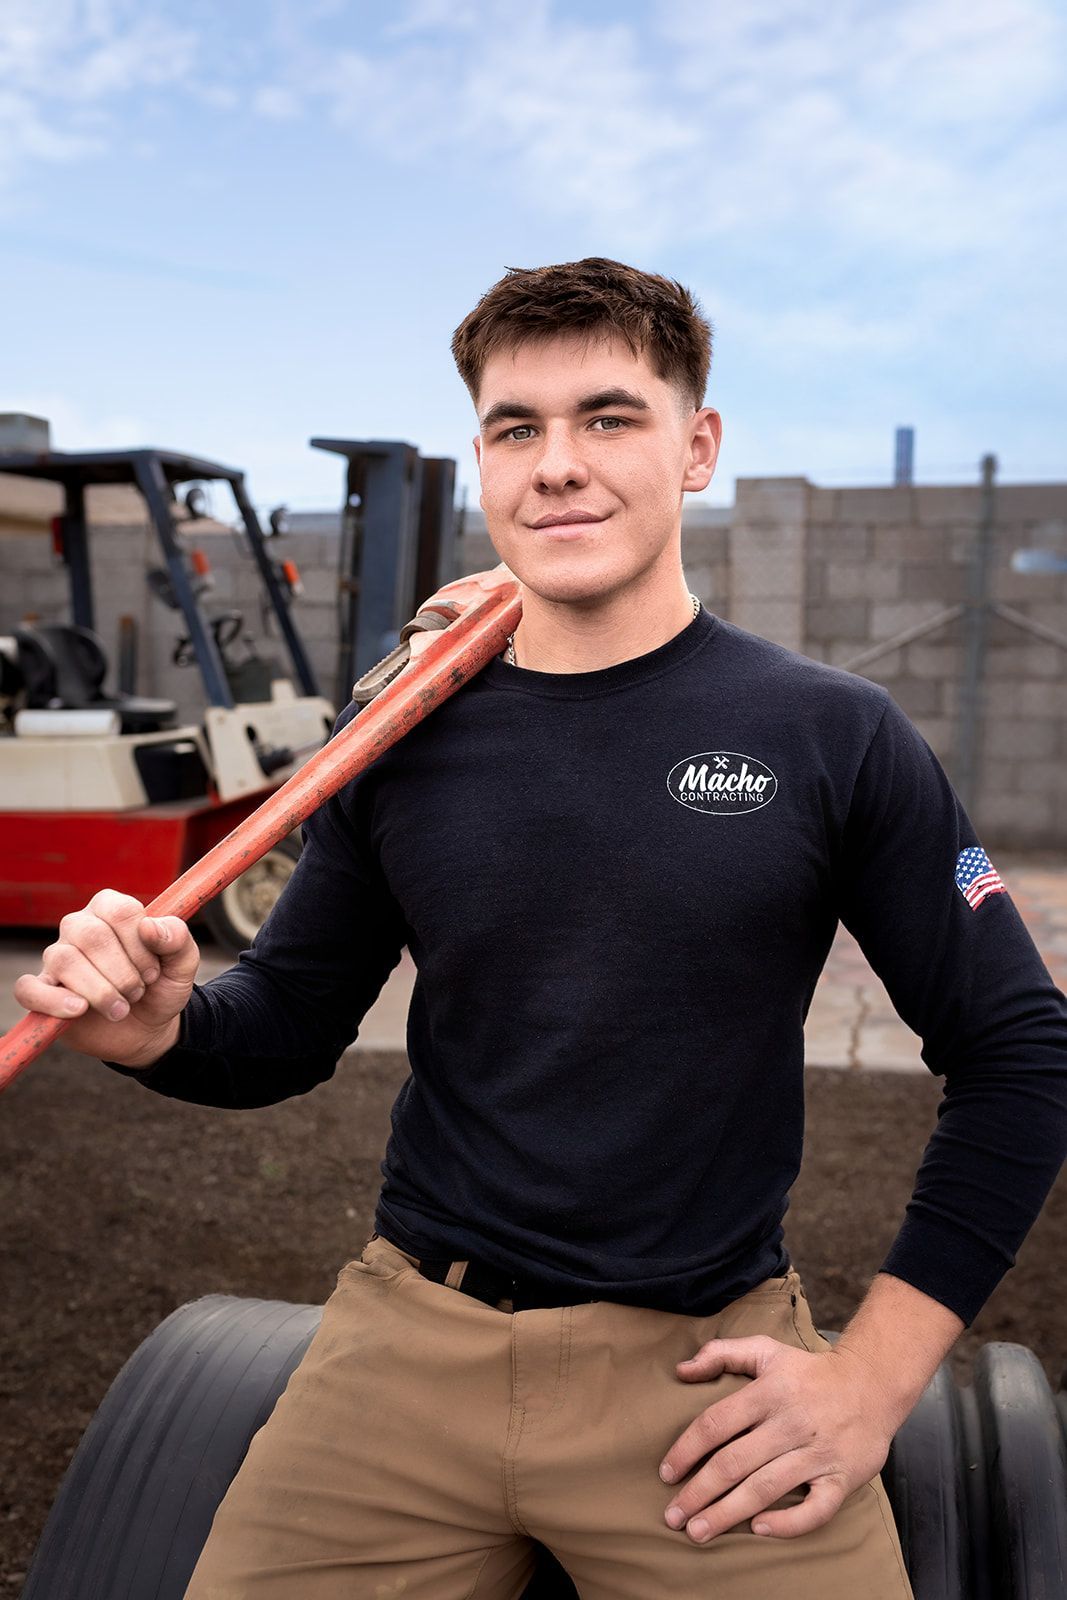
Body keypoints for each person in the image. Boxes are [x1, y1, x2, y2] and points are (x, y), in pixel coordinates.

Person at [16, 257, 1067, 1600]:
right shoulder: (397, 739)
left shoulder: (828, 734)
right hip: (405, 1353)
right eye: (519, 428)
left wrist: (869, 1385)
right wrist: (159, 1028)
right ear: (483, 461)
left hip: (695, 1381)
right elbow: (277, 1030)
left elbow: (1020, 1051)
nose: (558, 464)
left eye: (609, 418)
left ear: (698, 448)